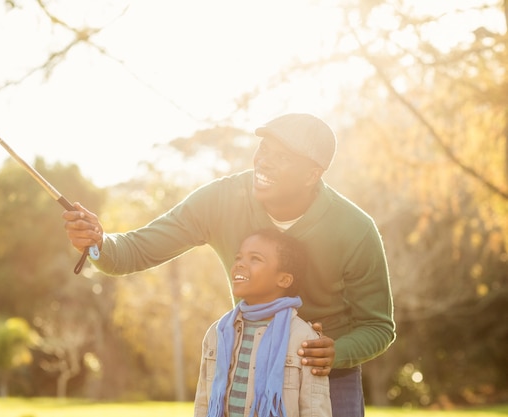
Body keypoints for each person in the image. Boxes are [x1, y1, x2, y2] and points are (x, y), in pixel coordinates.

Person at [63, 113, 395, 416]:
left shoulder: (355, 229)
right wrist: (99, 242)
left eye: (282, 157)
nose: (264, 162)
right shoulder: (222, 199)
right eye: (264, 149)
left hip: (325, 372)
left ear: (312, 174)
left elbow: (379, 327)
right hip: (246, 364)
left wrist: (336, 351)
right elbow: (133, 250)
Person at [193, 229, 332, 417]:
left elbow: (315, 410)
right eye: (238, 257)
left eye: (255, 259)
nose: (240, 264)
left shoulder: (303, 337)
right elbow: (203, 402)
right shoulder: (217, 333)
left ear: (283, 279)